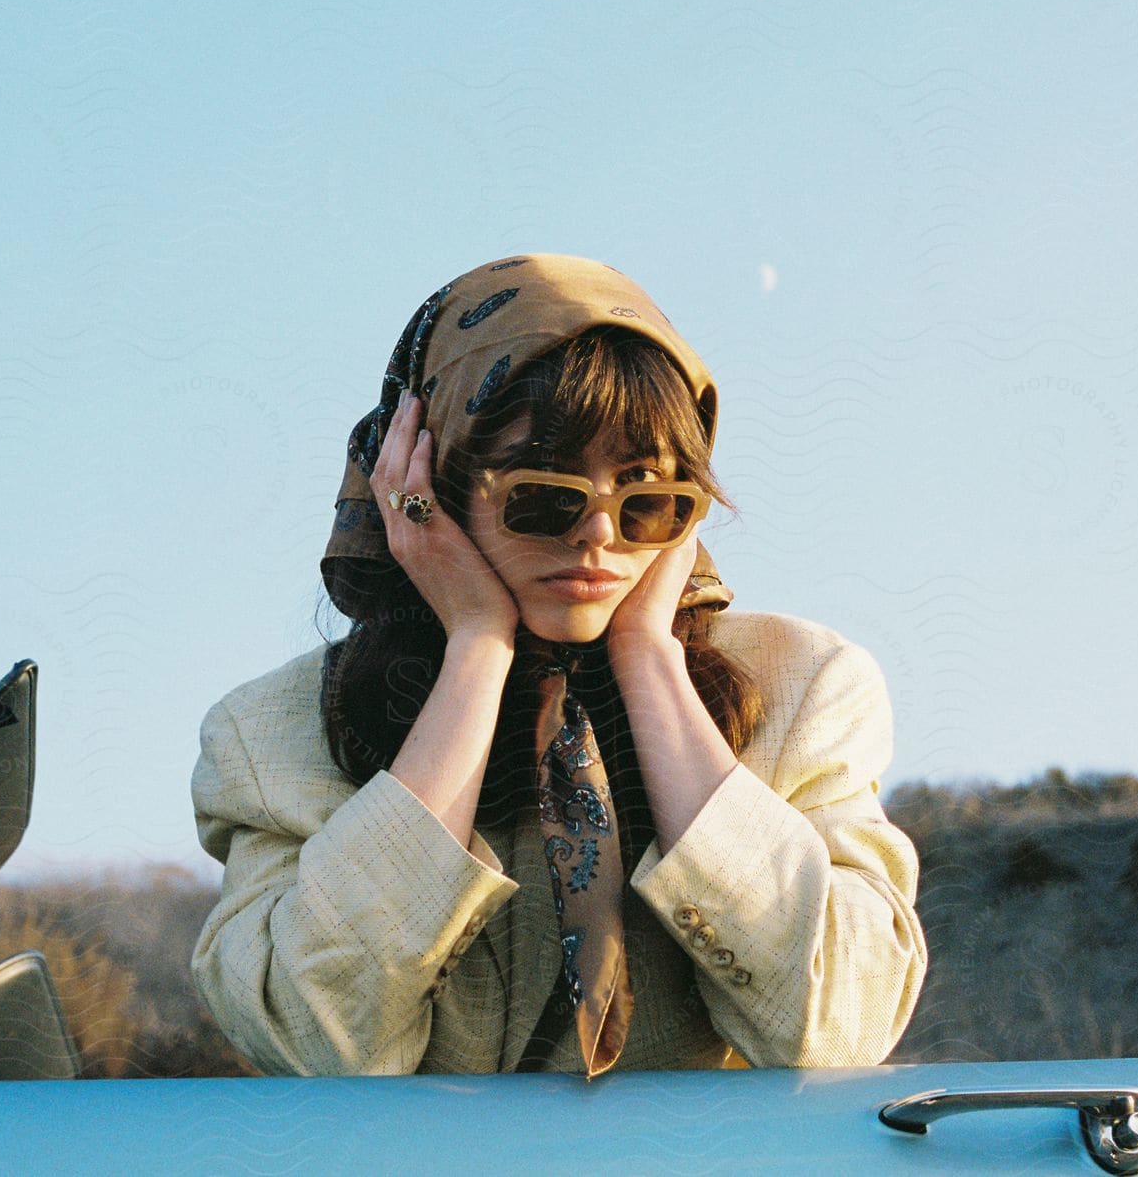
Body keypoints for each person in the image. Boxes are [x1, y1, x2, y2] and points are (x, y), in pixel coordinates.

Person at [190, 254, 926, 1077]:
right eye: (545, 495)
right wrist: (476, 646)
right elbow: (312, 1038)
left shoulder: (805, 687)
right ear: (428, 477)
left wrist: (649, 661)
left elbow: (838, 1024)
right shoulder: (272, 735)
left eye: (648, 497)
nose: (598, 537)